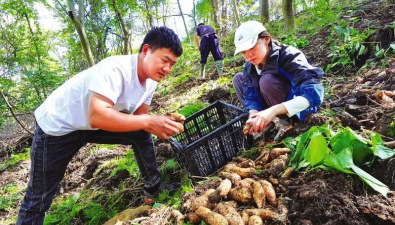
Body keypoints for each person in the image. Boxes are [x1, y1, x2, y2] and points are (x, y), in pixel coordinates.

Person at [17, 26, 184, 225]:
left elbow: (140, 119)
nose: (167, 69)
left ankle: (154, 187)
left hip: (90, 123)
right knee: (40, 196)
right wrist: (149, 121)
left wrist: (162, 122)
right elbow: (97, 115)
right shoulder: (116, 69)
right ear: (146, 50)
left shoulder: (151, 81)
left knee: (140, 134)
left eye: (172, 64)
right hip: (57, 126)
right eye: (164, 60)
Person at [232, 21, 324, 136]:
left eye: (252, 47)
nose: (248, 55)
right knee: (238, 79)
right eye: (244, 52)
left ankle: (288, 122)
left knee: (267, 81)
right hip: (271, 105)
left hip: (297, 107)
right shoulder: (250, 67)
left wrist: (273, 111)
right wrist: (254, 114)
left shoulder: (289, 56)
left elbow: (314, 93)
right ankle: (261, 124)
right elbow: (250, 96)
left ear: (266, 39)